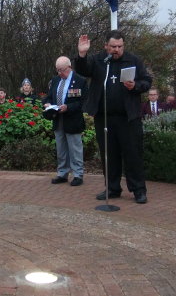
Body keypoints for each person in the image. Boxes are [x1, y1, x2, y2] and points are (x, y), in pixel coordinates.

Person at [74, 31, 151, 204]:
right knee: (109, 154)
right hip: (105, 117)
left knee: (133, 155)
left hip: (128, 117)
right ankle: (112, 188)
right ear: (106, 46)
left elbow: (147, 81)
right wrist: (82, 54)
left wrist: (135, 86)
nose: (117, 50)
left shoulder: (133, 60)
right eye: (113, 47)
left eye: (120, 46)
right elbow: (82, 70)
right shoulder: (99, 60)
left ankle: (138, 190)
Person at [44, 56, 88, 186]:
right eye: (57, 70)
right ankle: (62, 173)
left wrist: (68, 107)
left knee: (75, 148)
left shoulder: (80, 80)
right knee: (61, 148)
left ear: (69, 67)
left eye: (61, 70)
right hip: (58, 119)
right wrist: (46, 103)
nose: (59, 73)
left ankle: (78, 174)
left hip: (72, 119)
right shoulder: (55, 80)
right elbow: (49, 96)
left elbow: (83, 102)